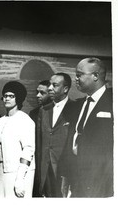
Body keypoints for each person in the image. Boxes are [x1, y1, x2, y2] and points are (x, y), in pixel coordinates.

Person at [61, 57, 113, 197]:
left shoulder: (114, 101)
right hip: (77, 180)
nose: (76, 79)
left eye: (79, 75)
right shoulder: (79, 105)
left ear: (95, 76)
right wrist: (66, 176)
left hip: (101, 182)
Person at [0, 81, 35, 198]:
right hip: (1, 173)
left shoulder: (24, 120)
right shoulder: (0, 121)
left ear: (19, 98)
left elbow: (28, 150)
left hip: (18, 173)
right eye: (5, 96)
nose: (7, 99)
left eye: (11, 96)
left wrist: (20, 179)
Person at [37, 73, 74, 197]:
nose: (50, 88)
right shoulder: (43, 110)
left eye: (55, 85)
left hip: (64, 170)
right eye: (50, 84)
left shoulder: (76, 109)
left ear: (65, 89)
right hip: (44, 169)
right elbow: (39, 141)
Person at [29, 80, 52, 197]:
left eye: (42, 93)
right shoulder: (33, 114)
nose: (37, 95)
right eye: (37, 92)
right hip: (36, 163)